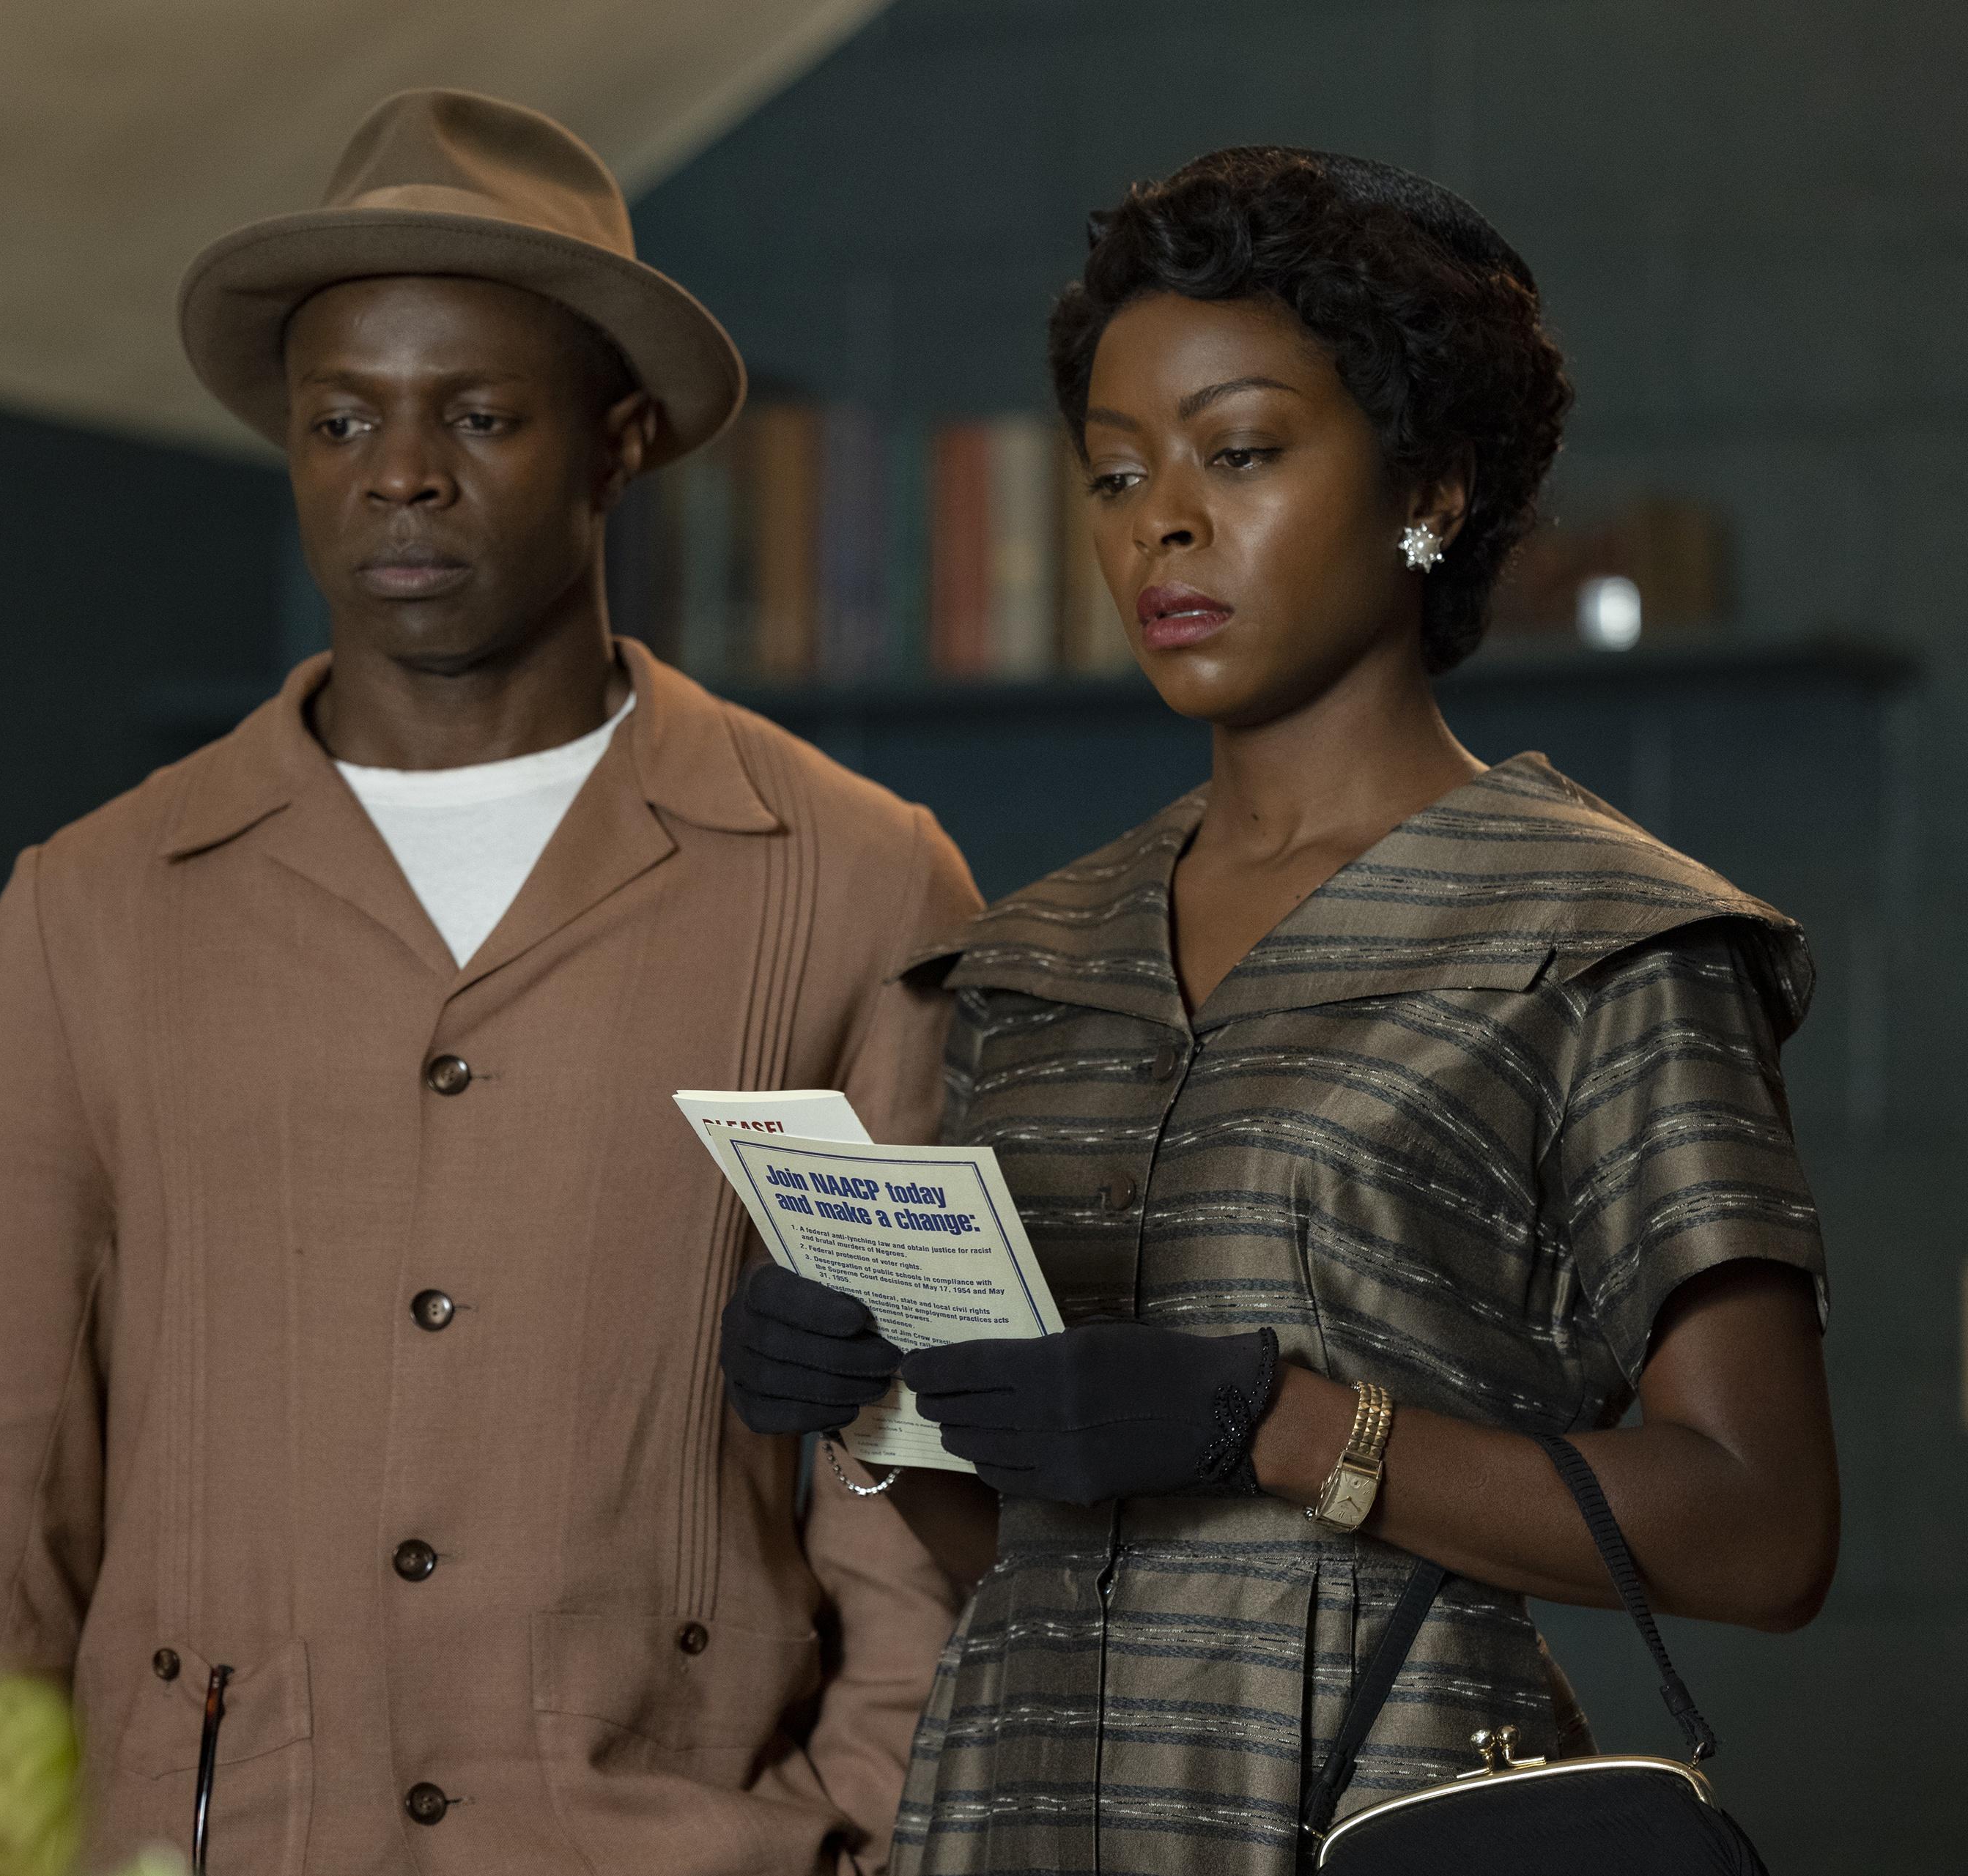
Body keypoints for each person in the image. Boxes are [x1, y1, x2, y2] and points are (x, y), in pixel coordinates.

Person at [0, 89, 980, 1876]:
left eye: (480, 415)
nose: (401, 472)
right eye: (343, 419)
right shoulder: (94, 902)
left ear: (614, 444)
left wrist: (873, 1842)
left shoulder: (853, 877)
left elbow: (916, 1457)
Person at [717, 147, 1838, 1875]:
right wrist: (869, 1409)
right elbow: (1018, 1546)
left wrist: (1277, 1421)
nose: (1156, 520)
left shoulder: (1604, 940)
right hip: (1009, 1816)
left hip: (1385, 1819)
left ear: (1432, 489)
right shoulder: (1026, 962)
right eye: (1110, 471)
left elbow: (1762, 1535)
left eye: (1236, 453)